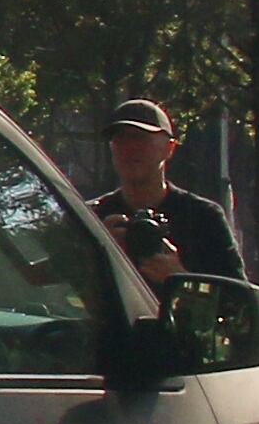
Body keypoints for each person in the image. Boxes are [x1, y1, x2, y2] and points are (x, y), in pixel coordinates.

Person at [96, 98, 244, 292]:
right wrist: (96, 252)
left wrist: (181, 279)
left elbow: (237, 298)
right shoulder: (94, 217)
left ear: (169, 148)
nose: (129, 148)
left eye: (140, 137)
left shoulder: (202, 218)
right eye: (120, 138)